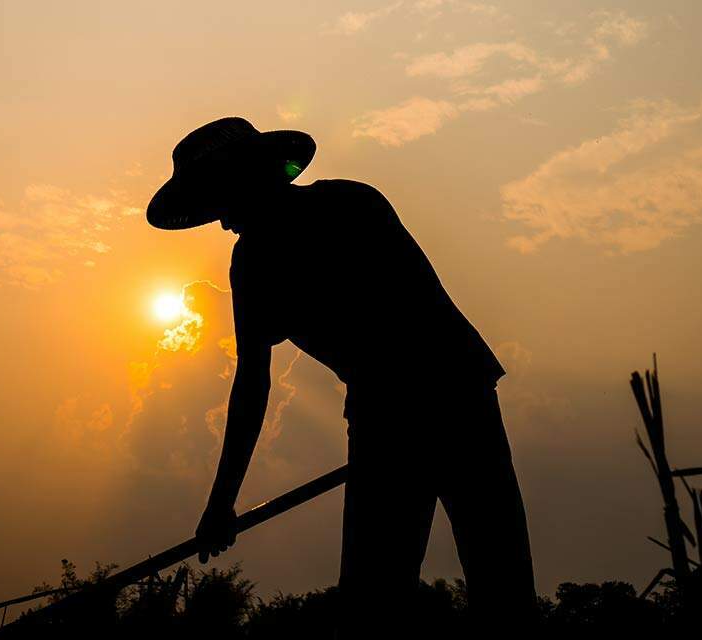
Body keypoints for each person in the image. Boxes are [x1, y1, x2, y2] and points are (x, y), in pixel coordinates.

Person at [146, 117, 537, 630]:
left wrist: (221, 504)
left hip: (429, 403)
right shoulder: (311, 227)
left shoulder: (306, 232)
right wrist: (222, 503)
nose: (223, 222)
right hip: (420, 403)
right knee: (433, 588)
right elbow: (253, 383)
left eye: (222, 201)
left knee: (421, 592)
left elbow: (256, 383)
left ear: (248, 179)